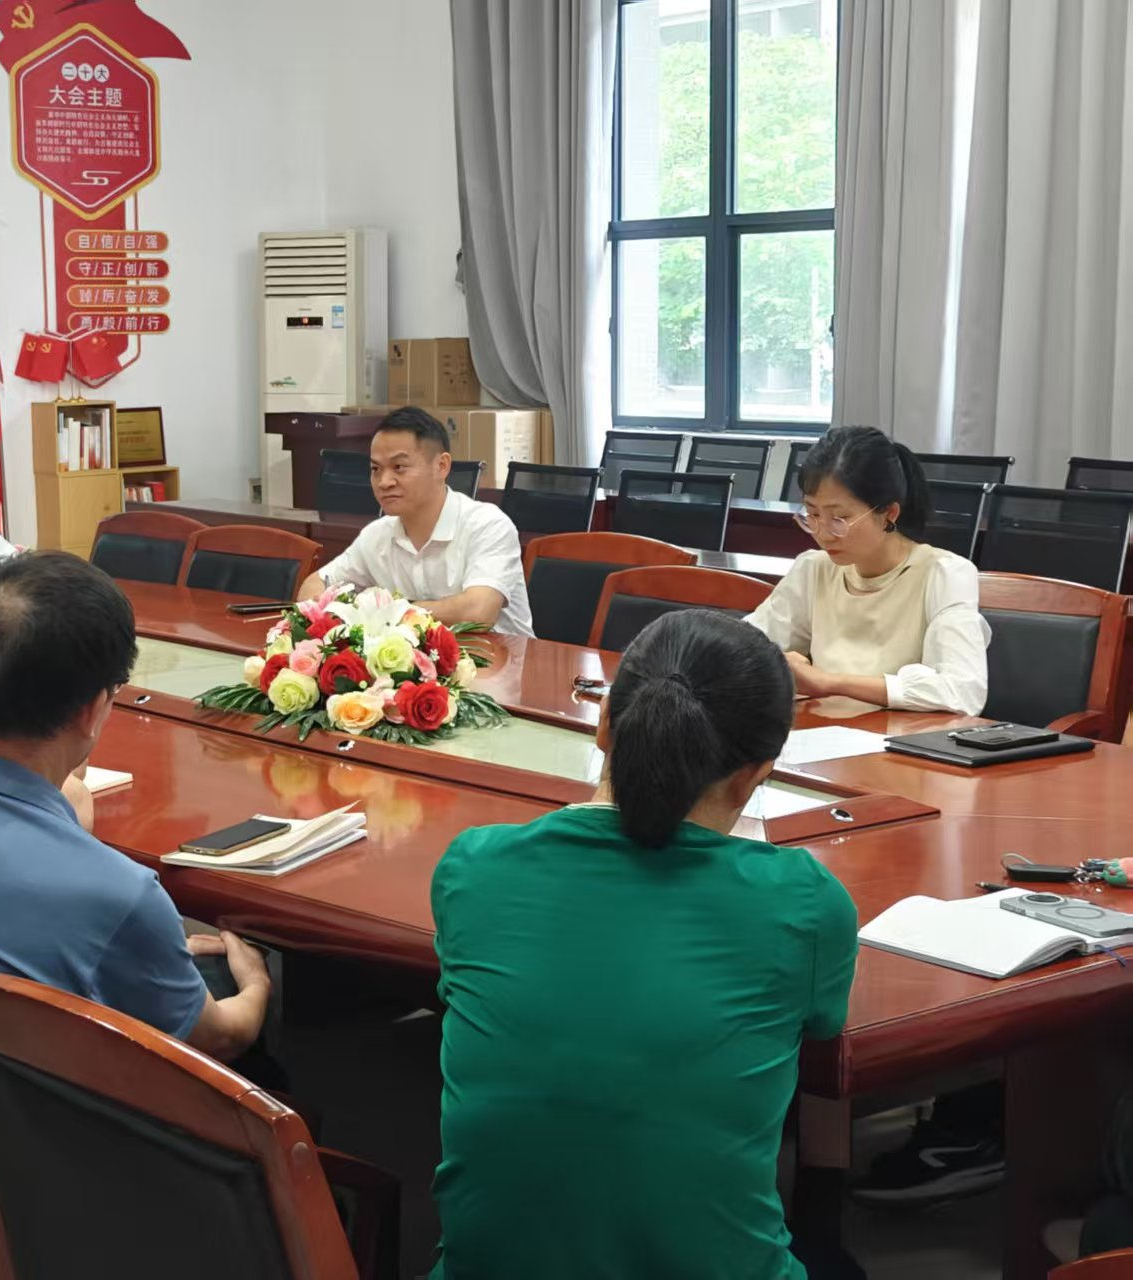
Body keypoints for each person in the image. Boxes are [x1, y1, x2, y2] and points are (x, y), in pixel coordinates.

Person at [431, 610, 857, 1279]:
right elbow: (822, 1030)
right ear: (756, 774)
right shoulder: (802, 902)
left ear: (603, 724)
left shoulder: (475, 866)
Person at [0, 551, 270, 1062]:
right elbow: (218, 1038)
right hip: (24, 1110)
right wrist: (257, 980)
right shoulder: (120, 896)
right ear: (94, 709)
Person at [747, 424, 990, 714]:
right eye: (812, 514)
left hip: (900, 737)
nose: (823, 533)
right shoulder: (813, 568)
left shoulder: (944, 574)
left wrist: (830, 683)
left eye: (839, 518)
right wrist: (774, 661)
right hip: (823, 732)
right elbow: (743, 646)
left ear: (889, 513)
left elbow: (963, 692)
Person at [299, 406, 533, 636]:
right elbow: (313, 586)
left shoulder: (488, 525)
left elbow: (478, 613)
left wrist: (384, 611)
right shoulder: (377, 534)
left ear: (442, 466)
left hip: (504, 658)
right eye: (375, 469)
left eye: (399, 467)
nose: (384, 482)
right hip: (420, 660)